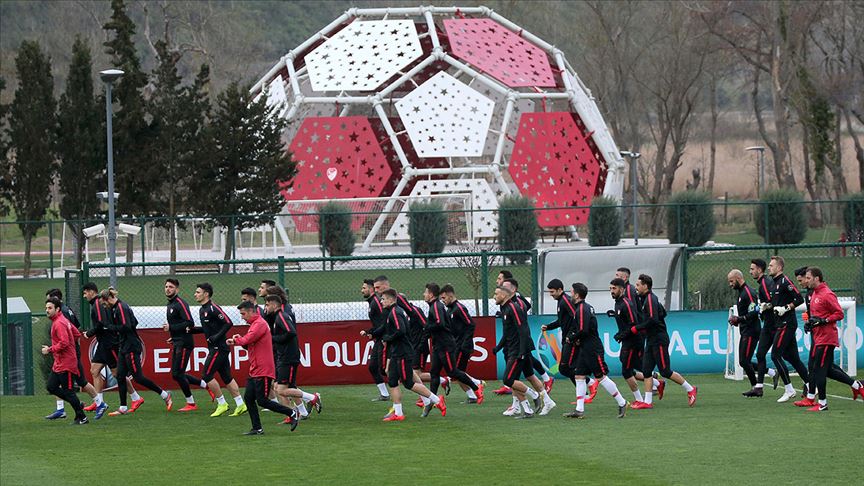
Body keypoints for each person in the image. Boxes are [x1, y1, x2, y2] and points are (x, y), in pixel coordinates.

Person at [363, 289, 445, 422]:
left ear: (391, 300)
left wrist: (387, 338)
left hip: (403, 352)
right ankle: (398, 413)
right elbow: (386, 328)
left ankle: (436, 400)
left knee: (408, 383)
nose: (381, 301)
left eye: (383, 299)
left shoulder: (395, 312)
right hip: (396, 352)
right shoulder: (391, 312)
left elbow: (401, 330)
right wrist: (372, 333)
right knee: (392, 381)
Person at [793, 267, 864, 410]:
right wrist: (810, 324)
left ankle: (822, 404)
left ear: (817, 278)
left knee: (820, 370)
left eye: (808, 278)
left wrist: (823, 321)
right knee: (825, 369)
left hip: (826, 338)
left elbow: (839, 314)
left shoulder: (827, 294)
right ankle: (857, 386)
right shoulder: (814, 293)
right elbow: (816, 316)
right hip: (818, 336)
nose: (806, 281)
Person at [227, 301, 300, 435]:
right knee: (249, 398)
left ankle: (292, 413)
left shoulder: (259, 324)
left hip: (263, 369)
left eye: (243, 314)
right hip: (255, 369)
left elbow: (246, 340)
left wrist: (237, 340)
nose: (242, 317)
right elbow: (249, 344)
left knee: (262, 401)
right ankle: (257, 428)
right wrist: (239, 340)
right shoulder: (255, 325)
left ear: (251, 311)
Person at [625, 275, 697, 409]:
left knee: (665, 371)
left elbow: (653, 319)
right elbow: (663, 313)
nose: (636, 287)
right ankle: (647, 402)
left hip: (659, 339)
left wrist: (637, 328)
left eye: (638, 285)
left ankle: (690, 389)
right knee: (646, 370)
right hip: (651, 339)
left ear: (645, 286)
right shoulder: (646, 299)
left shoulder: (650, 299)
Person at [101, 288, 173, 416]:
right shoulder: (118, 307)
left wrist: (110, 327)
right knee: (120, 376)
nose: (104, 306)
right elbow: (134, 322)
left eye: (104, 303)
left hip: (131, 347)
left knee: (138, 377)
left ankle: (164, 395)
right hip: (124, 346)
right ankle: (123, 407)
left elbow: (127, 326)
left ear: (109, 299)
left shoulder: (121, 308)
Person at [564, 283, 628, 419]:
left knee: (601, 377)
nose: (570, 295)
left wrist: (572, 337)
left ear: (577, 295)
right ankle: (579, 409)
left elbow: (583, 330)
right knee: (579, 376)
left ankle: (622, 402)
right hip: (585, 347)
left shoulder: (582, 309)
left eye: (571, 292)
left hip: (592, 348)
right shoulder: (583, 308)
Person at [422, 283, 483, 415]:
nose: (423, 295)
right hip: (439, 345)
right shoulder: (441, 308)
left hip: (446, 346)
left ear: (431, 294)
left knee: (453, 372)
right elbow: (444, 326)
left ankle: (476, 387)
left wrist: (427, 327)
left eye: (425, 292)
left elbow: (441, 323)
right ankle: (432, 400)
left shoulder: (439, 307)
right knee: (434, 373)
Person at [81, 282, 137, 419]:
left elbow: (101, 324)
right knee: (94, 371)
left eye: (85, 293)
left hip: (109, 343)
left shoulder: (98, 304)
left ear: (92, 292)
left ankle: (135, 397)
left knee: (117, 373)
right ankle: (99, 402)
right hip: (103, 343)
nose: (84, 296)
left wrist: (89, 333)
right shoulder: (97, 303)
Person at [190, 283, 247, 417]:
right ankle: (240, 404)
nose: (195, 294)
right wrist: (192, 330)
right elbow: (207, 329)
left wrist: (216, 337)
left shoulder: (213, 308)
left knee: (206, 375)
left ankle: (222, 403)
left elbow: (228, 322)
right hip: (216, 348)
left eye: (198, 292)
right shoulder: (202, 310)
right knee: (227, 377)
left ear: (206, 294)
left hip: (218, 348)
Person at [264, 294, 322, 421]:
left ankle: (312, 398)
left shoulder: (281, 317)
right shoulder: (277, 317)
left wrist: (273, 339)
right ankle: (299, 413)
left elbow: (291, 332)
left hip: (288, 358)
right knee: (281, 387)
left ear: (274, 305)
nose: (265, 308)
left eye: (267, 305)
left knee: (281, 390)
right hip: (284, 357)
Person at [43, 289, 97, 419]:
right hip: (60, 362)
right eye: (46, 308)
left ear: (57, 309)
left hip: (66, 363)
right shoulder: (62, 319)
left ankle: (81, 417)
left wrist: (49, 349)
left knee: (69, 391)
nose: (47, 310)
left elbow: (64, 342)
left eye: (50, 308)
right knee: (51, 387)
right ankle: (77, 404)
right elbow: (77, 334)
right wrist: (71, 347)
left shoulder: (59, 323)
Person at [766, 256, 809, 402]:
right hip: (780, 323)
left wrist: (786, 308)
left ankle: (789, 389)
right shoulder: (773, 283)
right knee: (792, 358)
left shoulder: (785, 281)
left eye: (771, 265)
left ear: (779, 267)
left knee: (775, 355)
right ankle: (810, 385)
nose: (769, 268)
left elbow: (799, 299)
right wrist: (767, 306)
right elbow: (776, 303)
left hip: (787, 323)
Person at [162, 279, 208, 412]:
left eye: (171, 287)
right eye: (166, 286)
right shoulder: (170, 304)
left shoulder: (180, 303)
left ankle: (191, 403)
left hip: (184, 343)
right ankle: (205, 385)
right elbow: (179, 324)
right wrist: (173, 336)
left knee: (178, 374)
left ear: (177, 289)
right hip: (178, 341)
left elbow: (189, 323)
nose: (168, 289)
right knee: (176, 374)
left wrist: (171, 328)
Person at [608, 278, 654, 404]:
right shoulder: (618, 303)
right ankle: (656, 382)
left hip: (633, 341)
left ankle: (639, 399)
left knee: (626, 371)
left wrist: (621, 335)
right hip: (628, 340)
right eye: (610, 288)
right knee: (633, 365)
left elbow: (633, 324)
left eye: (614, 288)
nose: (612, 291)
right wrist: (614, 315)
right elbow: (624, 321)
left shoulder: (626, 303)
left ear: (622, 289)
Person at [440, 284, 485, 403]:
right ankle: (473, 393)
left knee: (455, 371)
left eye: (444, 298)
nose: (442, 300)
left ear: (450, 295)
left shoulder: (459, 308)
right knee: (457, 373)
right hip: (455, 346)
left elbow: (471, 324)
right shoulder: (450, 310)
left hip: (462, 347)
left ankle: (476, 384)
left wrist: (465, 343)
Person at [540, 279, 577, 411]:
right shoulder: (561, 301)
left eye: (552, 292)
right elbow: (562, 321)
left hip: (571, 339)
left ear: (560, 290)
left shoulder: (565, 301)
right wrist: (549, 326)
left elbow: (576, 316)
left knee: (565, 367)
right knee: (568, 367)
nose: (551, 294)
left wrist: (573, 335)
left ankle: (588, 385)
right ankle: (585, 391)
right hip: (568, 338)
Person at [727, 270, 762, 396]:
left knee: (744, 361)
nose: (730, 284)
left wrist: (739, 319)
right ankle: (769, 373)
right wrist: (738, 321)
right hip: (746, 330)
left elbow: (755, 312)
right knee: (743, 361)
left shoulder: (748, 292)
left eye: (731, 281)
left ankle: (757, 387)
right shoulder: (742, 292)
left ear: (738, 278)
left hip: (751, 331)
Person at [749, 259, 779, 391]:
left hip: (772, 325)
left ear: (759, 270)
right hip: (769, 324)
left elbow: (772, 301)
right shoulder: (764, 283)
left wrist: (762, 307)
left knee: (787, 356)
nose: (750, 272)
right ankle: (759, 386)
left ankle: (806, 384)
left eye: (752, 269)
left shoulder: (765, 284)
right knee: (760, 354)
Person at [360, 278, 390, 401]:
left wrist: (372, 333)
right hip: (379, 338)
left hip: (384, 339)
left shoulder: (376, 302)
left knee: (386, 369)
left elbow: (384, 322)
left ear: (371, 289)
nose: (362, 290)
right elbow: (378, 324)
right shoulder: (372, 302)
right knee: (373, 367)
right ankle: (385, 394)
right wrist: (370, 332)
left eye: (364, 288)